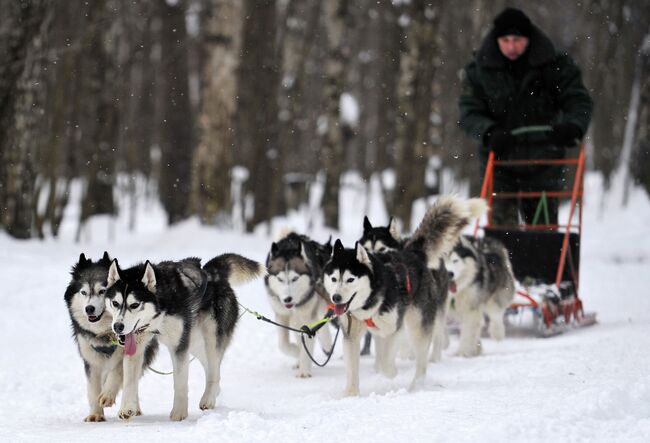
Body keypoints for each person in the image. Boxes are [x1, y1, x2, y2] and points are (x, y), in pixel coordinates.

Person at [458, 8, 593, 227]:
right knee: (502, 236)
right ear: (496, 39)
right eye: (505, 40)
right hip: (500, 163)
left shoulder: (554, 64)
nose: (511, 46)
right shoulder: (479, 70)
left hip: (545, 162)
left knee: (542, 235)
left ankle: (543, 259)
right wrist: (489, 131)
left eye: (517, 40)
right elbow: (468, 112)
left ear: (528, 38)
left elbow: (578, 100)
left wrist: (573, 126)